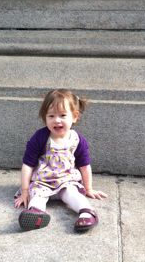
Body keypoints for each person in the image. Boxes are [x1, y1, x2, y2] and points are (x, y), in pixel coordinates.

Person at [14, 89, 107, 232]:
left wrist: (88, 188)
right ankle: (36, 213)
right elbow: (28, 165)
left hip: (66, 181)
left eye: (63, 115)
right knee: (37, 195)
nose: (57, 120)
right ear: (45, 118)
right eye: (51, 116)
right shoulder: (40, 137)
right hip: (42, 181)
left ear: (74, 117)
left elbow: (84, 166)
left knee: (72, 194)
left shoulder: (77, 140)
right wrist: (25, 191)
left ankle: (87, 212)